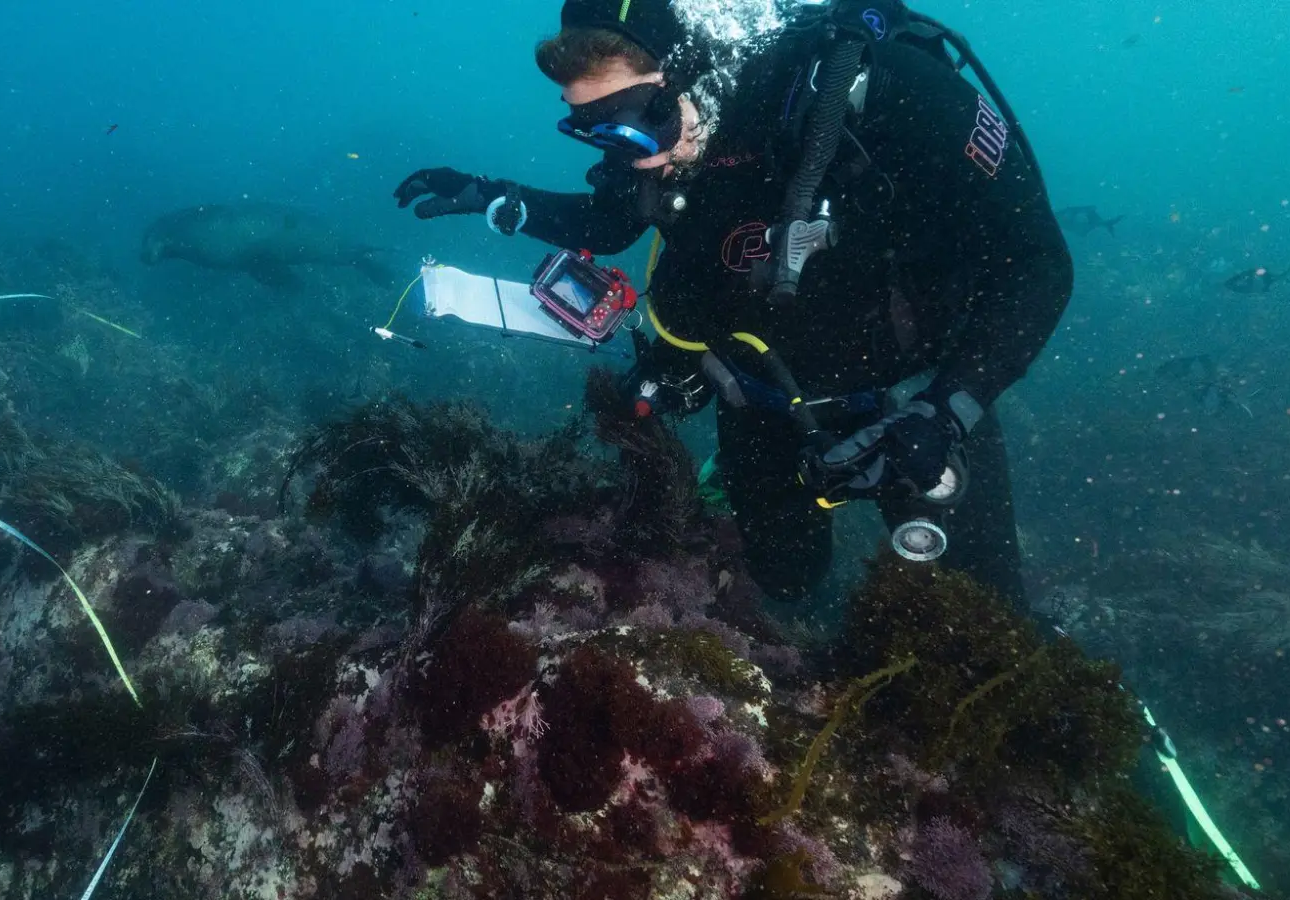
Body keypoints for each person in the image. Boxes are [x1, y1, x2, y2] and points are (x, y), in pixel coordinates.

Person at [392, 0, 1072, 608]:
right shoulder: (660, 143)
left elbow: (1040, 265)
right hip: (763, 399)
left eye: (635, 125)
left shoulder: (891, 90)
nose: (636, 160)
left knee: (985, 613)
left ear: (696, 70)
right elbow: (610, 222)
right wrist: (491, 196)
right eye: (595, 132)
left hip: (913, 397)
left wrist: (949, 409)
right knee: (785, 582)